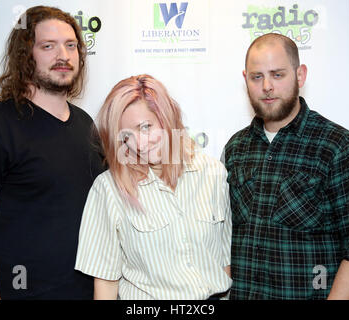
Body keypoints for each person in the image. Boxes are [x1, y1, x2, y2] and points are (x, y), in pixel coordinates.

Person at [0, 6, 105, 299]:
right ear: (25, 54)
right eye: (48, 46)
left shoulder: (86, 125)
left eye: (71, 46)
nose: (64, 55)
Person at [223, 33, 349, 300]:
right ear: (246, 80)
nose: (266, 86)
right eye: (257, 76)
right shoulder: (236, 148)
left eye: (277, 75)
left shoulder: (339, 147)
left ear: (300, 75)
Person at [75, 74, 232, 299]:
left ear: (166, 118)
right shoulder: (108, 189)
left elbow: (224, 263)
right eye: (126, 136)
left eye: (146, 127)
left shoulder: (212, 173)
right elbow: (106, 284)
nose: (139, 144)